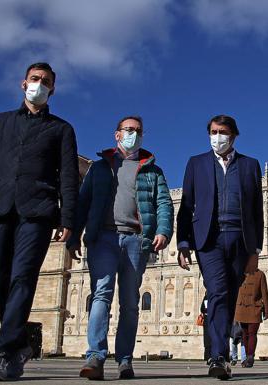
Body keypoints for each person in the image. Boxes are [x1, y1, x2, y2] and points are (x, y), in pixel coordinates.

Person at [0, 62, 78, 381]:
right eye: (35, 79)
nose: (39, 85)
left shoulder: (61, 129)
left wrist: (68, 217)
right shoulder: (0, 123)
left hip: (38, 212)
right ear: (23, 83)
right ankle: (19, 343)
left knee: (22, 277)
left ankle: (0, 354)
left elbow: (69, 176)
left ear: (53, 88)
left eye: (46, 81)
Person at [66, 116, 173, 380]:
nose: (133, 134)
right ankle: (96, 356)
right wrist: (73, 237)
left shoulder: (152, 170)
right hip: (103, 238)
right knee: (101, 293)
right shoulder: (100, 168)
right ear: (117, 135)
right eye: (129, 130)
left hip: (136, 240)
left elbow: (164, 204)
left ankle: (125, 360)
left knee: (130, 302)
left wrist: (163, 230)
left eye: (138, 131)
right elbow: (83, 203)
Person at [177, 114, 264, 380]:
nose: (218, 137)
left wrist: (255, 251)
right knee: (216, 292)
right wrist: (183, 242)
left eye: (222, 132)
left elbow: (257, 211)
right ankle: (218, 355)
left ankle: (220, 354)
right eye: (213, 132)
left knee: (228, 296)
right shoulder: (196, 163)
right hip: (209, 239)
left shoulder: (250, 165)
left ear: (233, 135)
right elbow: (186, 205)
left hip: (240, 238)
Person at [234, 256, 268, 368]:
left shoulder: (260, 274)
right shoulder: (239, 272)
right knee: (244, 333)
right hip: (241, 308)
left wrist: (267, 309)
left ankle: (250, 357)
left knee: (252, 333)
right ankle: (247, 357)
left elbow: (265, 293)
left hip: (255, 307)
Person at [200, 295, 212, 362]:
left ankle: (207, 357)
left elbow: (202, 309)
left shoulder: (206, 297)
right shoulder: (212, 296)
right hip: (211, 320)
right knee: (210, 339)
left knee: (207, 339)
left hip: (207, 320)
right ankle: (210, 356)